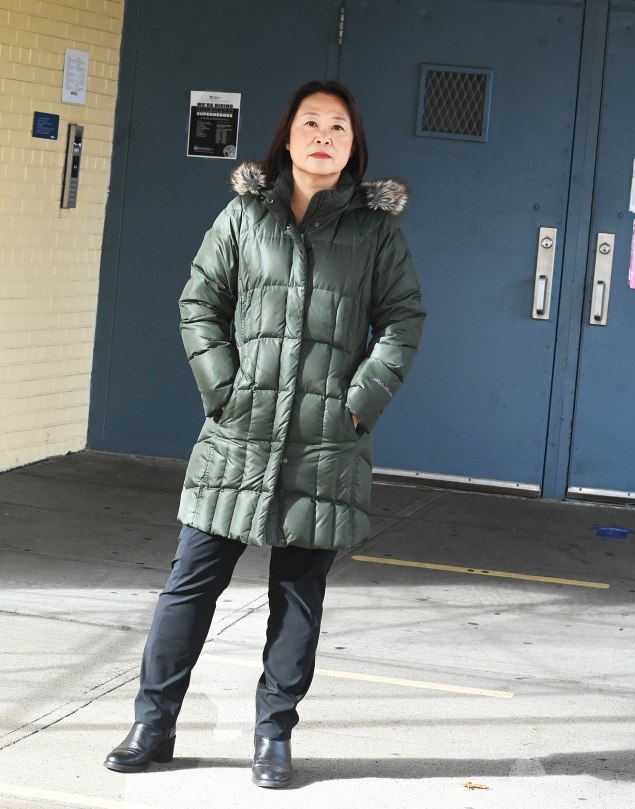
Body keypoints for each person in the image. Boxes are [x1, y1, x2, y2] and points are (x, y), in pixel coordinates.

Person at [103, 80, 426, 788]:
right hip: (239, 432)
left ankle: (273, 735)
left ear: (352, 146)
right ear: (286, 138)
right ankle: (152, 724)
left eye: (337, 126)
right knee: (190, 585)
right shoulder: (244, 216)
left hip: (326, 440)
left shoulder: (375, 233)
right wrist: (224, 387)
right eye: (309, 122)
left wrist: (358, 403)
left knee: (299, 596)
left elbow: (403, 321)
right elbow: (199, 302)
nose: (322, 134)